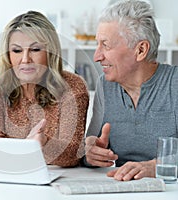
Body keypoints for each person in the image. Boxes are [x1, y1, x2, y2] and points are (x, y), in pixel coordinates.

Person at [84, 0, 178, 180]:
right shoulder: (105, 85)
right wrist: (90, 153)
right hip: (122, 187)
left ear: (141, 50)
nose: (97, 56)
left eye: (106, 45)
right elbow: (89, 148)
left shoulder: (174, 83)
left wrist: (156, 167)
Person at [0, 11, 89, 167]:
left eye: (35, 49)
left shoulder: (73, 86)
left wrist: (44, 143)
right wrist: (28, 148)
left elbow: (73, 154)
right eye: (17, 51)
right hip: (5, 175)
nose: (25, 59)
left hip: (57, 178)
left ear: (50, 53)